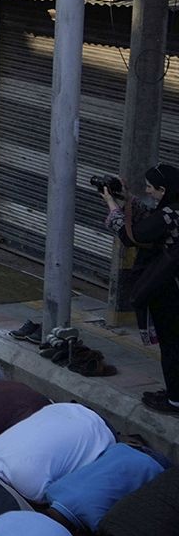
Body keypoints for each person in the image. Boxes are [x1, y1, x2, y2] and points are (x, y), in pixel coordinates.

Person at [105, 163, 179, 416]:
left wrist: (112, 206)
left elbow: (133, 236)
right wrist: (128, 200)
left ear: (163, 189)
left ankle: (175, 400)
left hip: (170, 287)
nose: (149, 192)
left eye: (151, 188)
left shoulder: (169, 214)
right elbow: (154, 218)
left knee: (172, 343)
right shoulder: (172, 210)